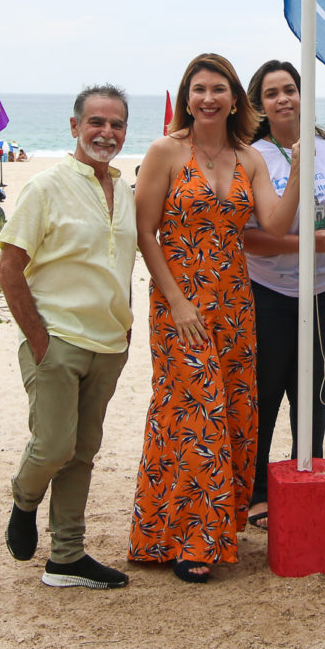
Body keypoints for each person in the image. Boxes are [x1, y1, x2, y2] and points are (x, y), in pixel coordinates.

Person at [128, 53, 302, 584]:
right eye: (199, 89)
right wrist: (177, 301)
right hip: (180, 302)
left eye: (219, 89)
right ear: (187, 96)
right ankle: (196, 543)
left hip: (234, 301)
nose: (208, 98)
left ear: (234, 99)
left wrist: (299, 162)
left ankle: (184, 530)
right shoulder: (165, 151)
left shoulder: (249, 157)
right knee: (191, 410)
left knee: (228, 412)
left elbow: (273, 222)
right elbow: (144, 232)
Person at [0, 85, 137, 591]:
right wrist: (39, 340)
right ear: (74, 126)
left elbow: (122, 264)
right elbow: (9, 267)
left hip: (109, 345)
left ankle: (66, 558)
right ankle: (23, 499)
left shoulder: (125, 192)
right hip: (56, 341)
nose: (107, 132)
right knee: (54, 445)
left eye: (116, 124)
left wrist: (127, 323)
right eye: (96, 122)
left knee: (83, 451)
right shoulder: (46, 187)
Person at [241, 61, 325, 531]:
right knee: (267, 392)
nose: (284, 99)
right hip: (270, 291)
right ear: (260, 104)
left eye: (290, 90)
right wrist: (301, 244)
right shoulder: (252, 156)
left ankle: (304, 478)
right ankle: (257, 493)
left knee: (314, 394)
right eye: (273, 93)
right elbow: (247, 236)